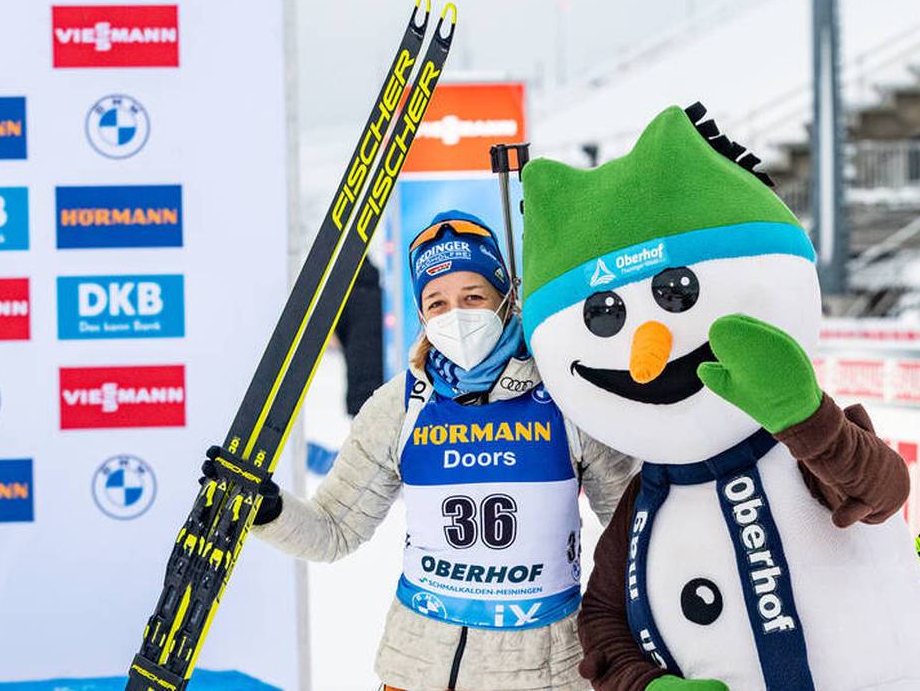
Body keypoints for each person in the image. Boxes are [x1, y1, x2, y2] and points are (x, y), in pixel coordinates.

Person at [217, 210, 639, 690]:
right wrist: (267, 510)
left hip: (543, 672)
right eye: (437, 302)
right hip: (418, 670)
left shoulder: (565, 397)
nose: (456, 315)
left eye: (473, 296)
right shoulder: (400, 407)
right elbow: (334, 530)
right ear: (422, 315)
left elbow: (635, 531)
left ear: (506, 299)